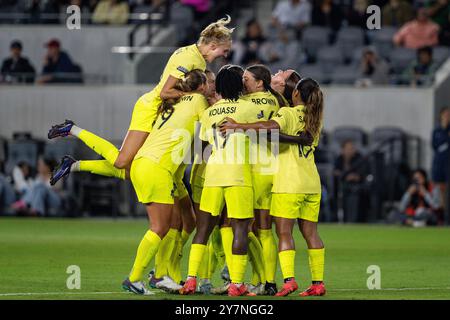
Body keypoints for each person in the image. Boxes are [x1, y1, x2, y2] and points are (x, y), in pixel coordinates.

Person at [48, 16, 233, 186]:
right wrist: (195, 97)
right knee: (122, 161)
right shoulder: (189, 57)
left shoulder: (196, 57)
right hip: (150, 107)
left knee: (132, 171)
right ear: (213, 45)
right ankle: (72, 129)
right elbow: (164, 92)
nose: (225, 55)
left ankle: (72, 166)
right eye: (224, 51)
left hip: (162, 111)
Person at [219, 77, 326, 297]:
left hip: (289, 182)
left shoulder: (287, 113)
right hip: (312, 182)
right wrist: (293, 139)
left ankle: (289, 281)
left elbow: (269, 126)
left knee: (284, 232)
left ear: (296, 93)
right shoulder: (316, 116)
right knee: (311, 233)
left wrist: (238, 126)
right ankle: (318, 283)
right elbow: (285, 135)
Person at [120, 69, 209, 295]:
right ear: (201, 87)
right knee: (159, 227)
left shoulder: (174, 101)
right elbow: (211, 127)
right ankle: (134, 278)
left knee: (172, 224)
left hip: (146, 163)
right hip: (157, 167)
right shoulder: (198, 99)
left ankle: (160, 275)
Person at [179, 66, 261, 297]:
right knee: (240, 229)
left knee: (202, 230)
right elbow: (264, 134)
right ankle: (237, 283)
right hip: (238, 174)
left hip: (212, 174)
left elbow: (200, 148)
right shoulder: (249, 108)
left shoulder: (209, 113)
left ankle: (192, 279)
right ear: (239, 86)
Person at [333, 140, 369, 222]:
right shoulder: (339, 158)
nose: (351, 150)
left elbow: (362, 173)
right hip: (343, 186)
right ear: (343, 150)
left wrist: (355, 177)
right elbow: (335, 172)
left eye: (352, 148)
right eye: (348, 148)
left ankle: (353, 220)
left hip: (357, 186)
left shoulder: (359, 158)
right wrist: (345, 176)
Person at [432, 107, 450, 214]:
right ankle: (441, 213)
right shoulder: (436, 130)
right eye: (446, 114)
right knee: (439, 187)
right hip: (439, 162)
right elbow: (434, 145)